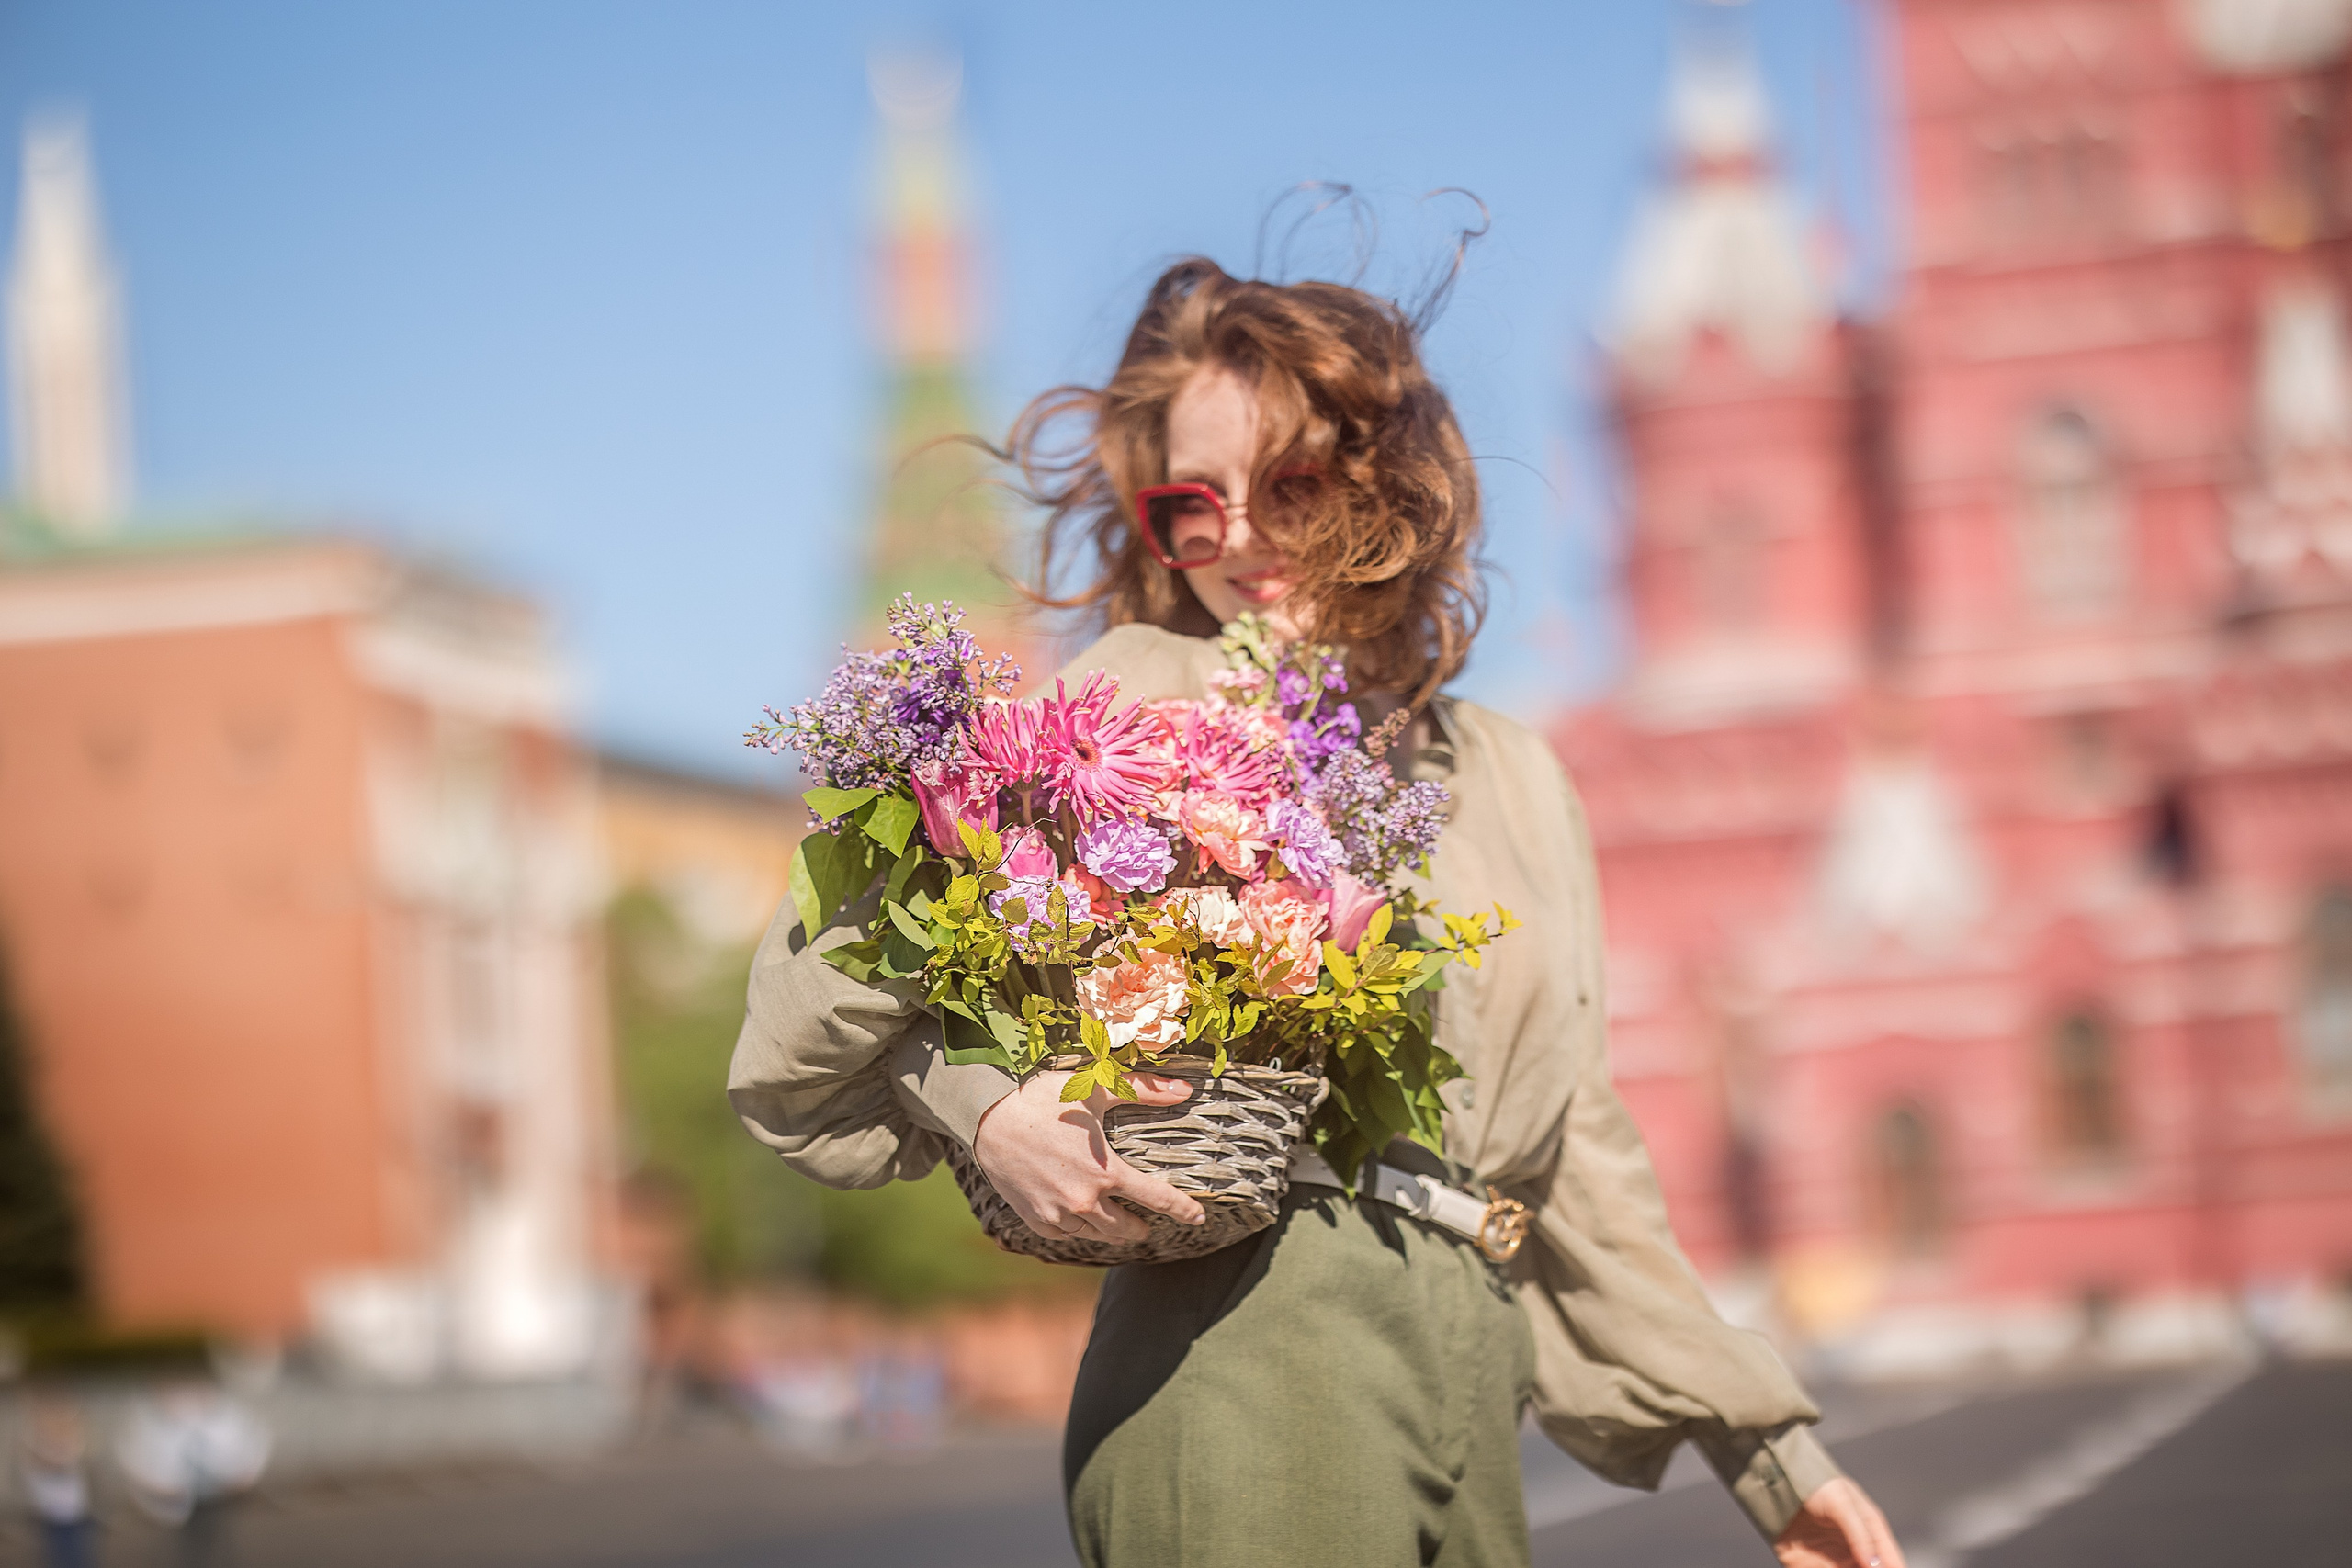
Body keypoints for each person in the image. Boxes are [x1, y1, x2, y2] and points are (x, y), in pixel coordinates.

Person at [730, 257, 1907, 1568]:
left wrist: (1765, 1449)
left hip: (1472, 1370)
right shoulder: (1112, 708)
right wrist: (985, 1109)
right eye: (1190, 504)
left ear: (1389, 486)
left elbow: (1575, 1148)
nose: (1235, 536)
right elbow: (814, 1011)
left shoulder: (1509, 775)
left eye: (1287, 484)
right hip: (1244, 1360)